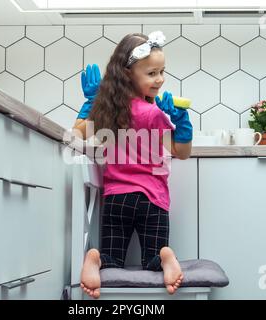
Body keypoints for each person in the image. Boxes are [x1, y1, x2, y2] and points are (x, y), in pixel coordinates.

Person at [72, 31, 193, 299]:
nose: (160, 79)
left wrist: (91, 102)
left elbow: (76, 133)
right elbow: (181, 152)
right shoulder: (153, 113)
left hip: (117, 198)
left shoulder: (108, 111)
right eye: (152, 73)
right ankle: (164, 256)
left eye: (162, 71)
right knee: (151, 260)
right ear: (129, 74)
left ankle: (96, 259)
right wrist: (182, 122)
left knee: (113, 260)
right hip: (153, 199)